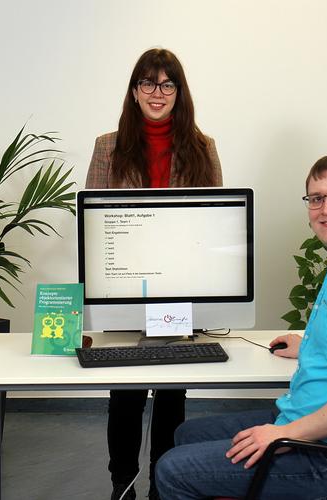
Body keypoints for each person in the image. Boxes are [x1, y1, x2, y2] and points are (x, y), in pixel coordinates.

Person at [154, 154, 327, 499]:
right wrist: (312, 345)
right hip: (313, 425)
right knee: (187, 434)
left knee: (173, 470)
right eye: (317, 199)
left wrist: (286, 435)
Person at [85, 48, 223, 500]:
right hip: (126, 284)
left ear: (179, 92)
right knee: (124, 395)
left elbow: (215, 221)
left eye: (167, 84)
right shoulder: (108, 145)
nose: (157, 93)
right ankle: (121, 488)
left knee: (170, 396)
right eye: (148, 83)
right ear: (134, 90)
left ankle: (165, 487)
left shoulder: (203, 148)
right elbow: (93, 220)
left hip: (180, 287)